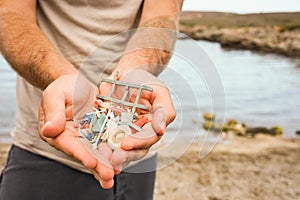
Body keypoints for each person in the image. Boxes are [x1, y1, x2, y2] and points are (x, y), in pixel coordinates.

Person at [0, 0, 182, 199]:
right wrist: (61, 78)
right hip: (44, 150)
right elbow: (10, 13)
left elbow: (163, 15)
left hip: (138, 151)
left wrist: (136, 69)